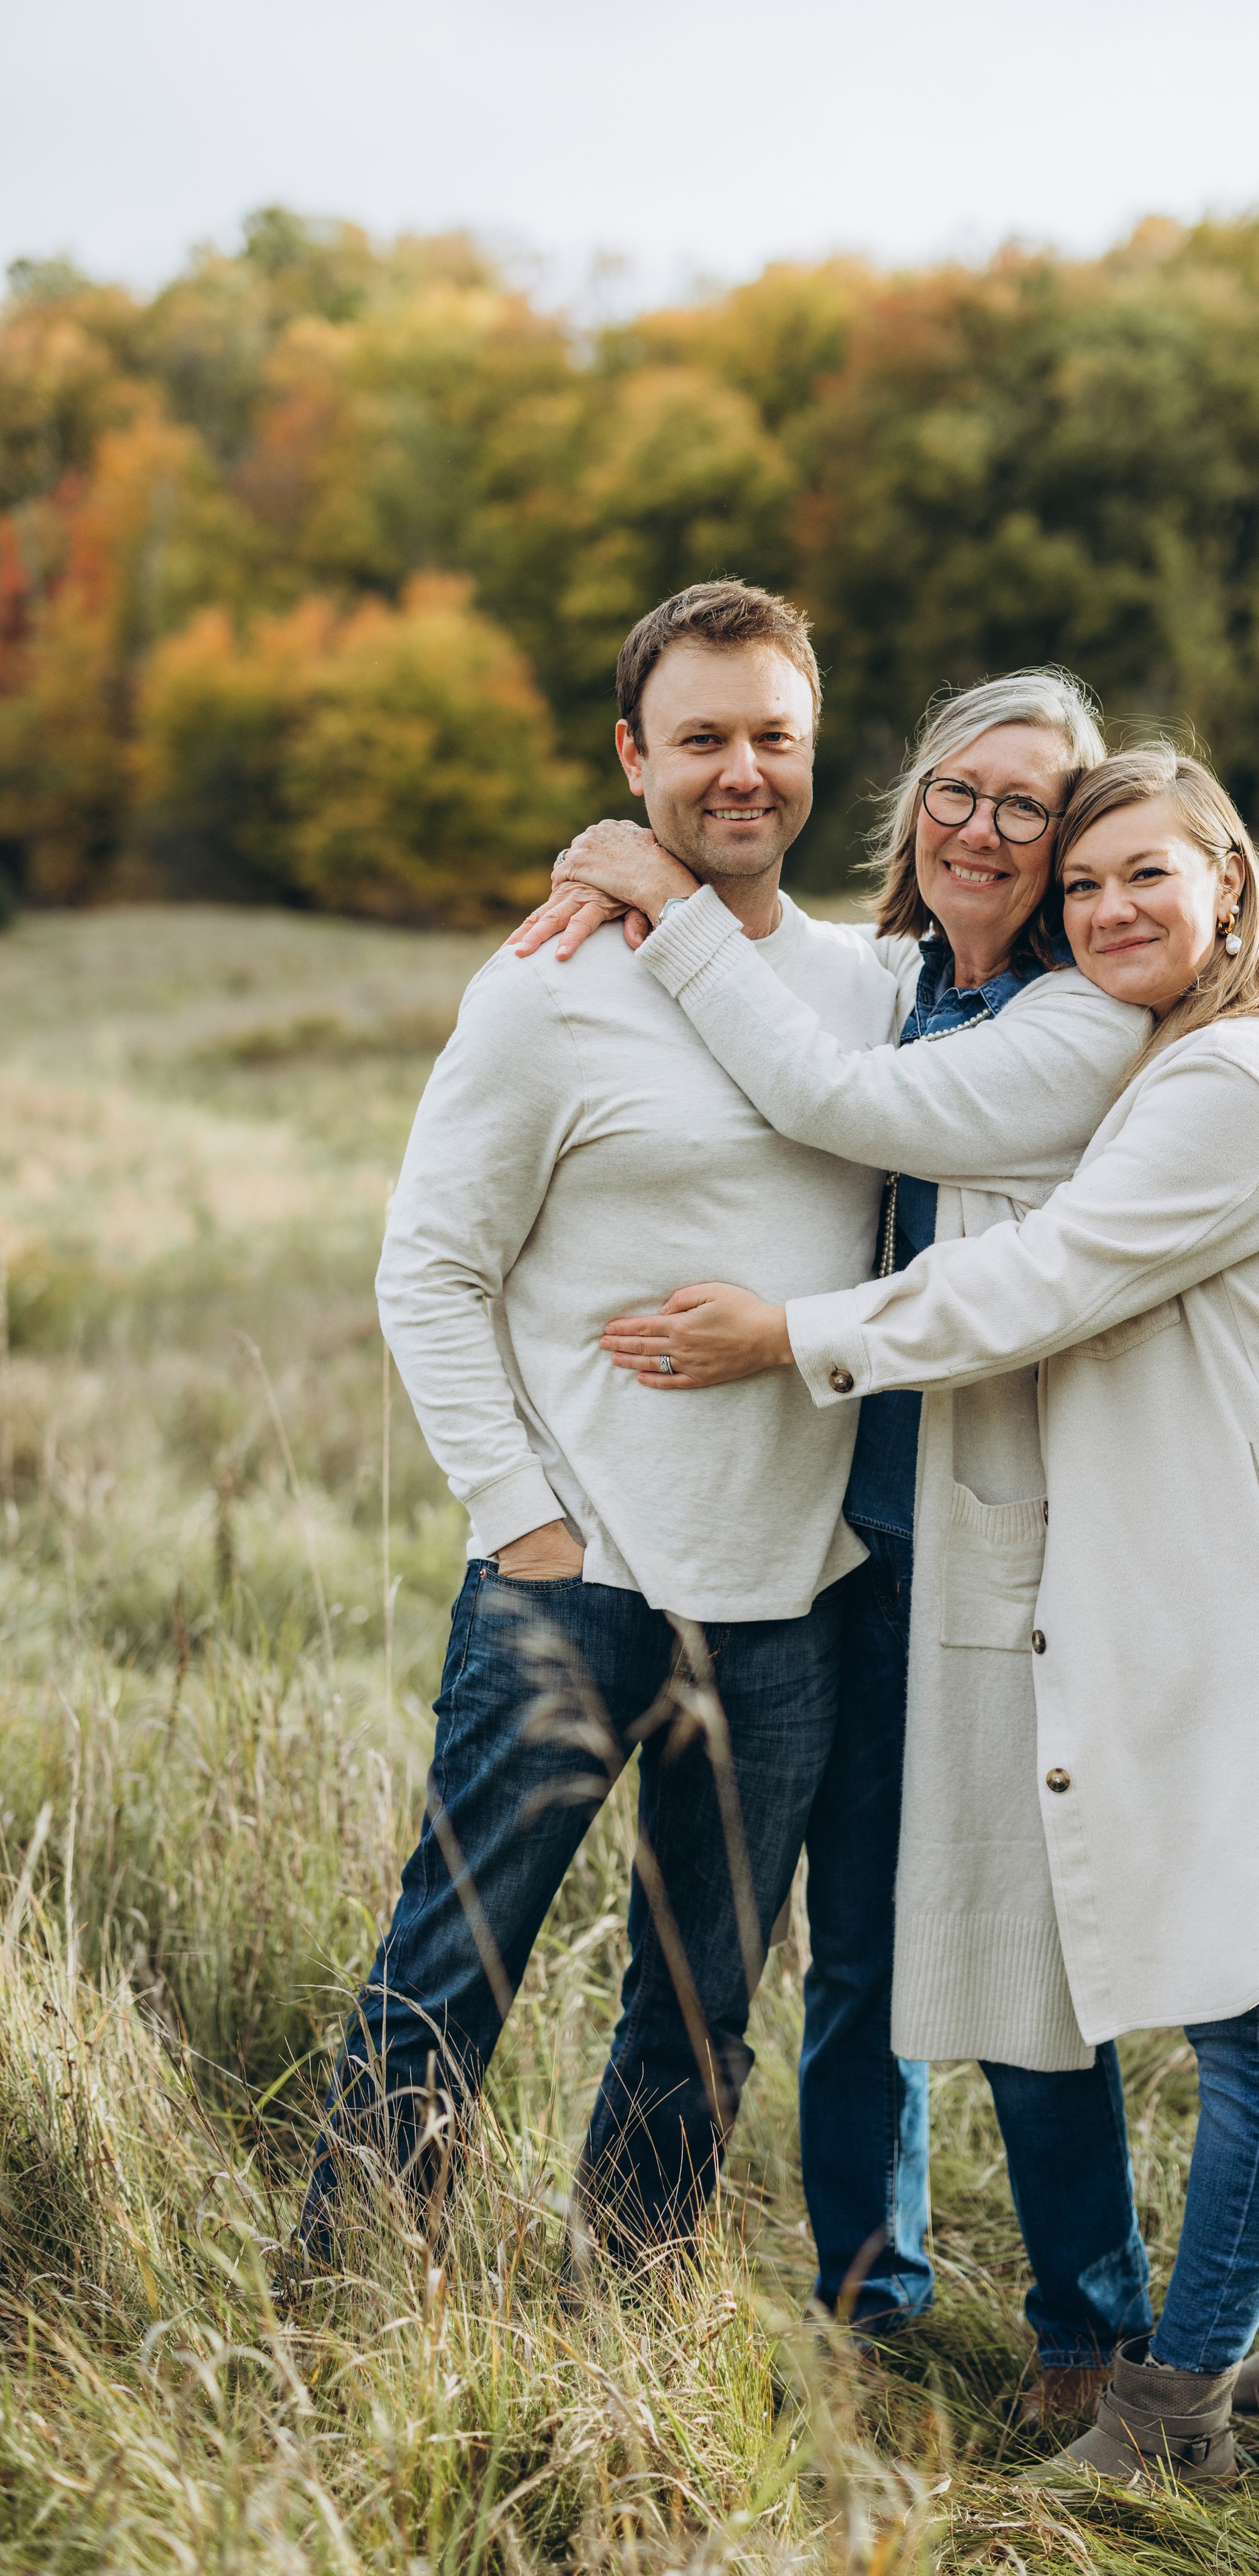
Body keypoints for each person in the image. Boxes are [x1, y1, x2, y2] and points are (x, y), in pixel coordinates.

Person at [588, 744, 1259, 2484]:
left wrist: (793, 1335)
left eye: (1149, 874)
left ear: (1232, 877)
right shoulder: (1194, 1055)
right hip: (1244, 1567)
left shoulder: (1236, 1087)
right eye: (1084, 886)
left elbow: (1037, 1283)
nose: (1109, 908)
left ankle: (1169, 2412)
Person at [515, 672, 1159, 2410]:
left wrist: (650, 895)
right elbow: (788, 1014)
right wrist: (619, 858)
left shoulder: (1068, 1024)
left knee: (1008, 1942)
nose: (983, 827)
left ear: (1077, 837)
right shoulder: (901, 987)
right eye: (957, 788)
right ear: (913, 805)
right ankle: (871, 2297)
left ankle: (1095, 2323)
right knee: (860, 1946)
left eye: (1030, 805)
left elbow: (829, 1108)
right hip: (852, 1545)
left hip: (997, 1561)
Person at [298, 578, 930, 2281]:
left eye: (773, 738)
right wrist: (526, 1524)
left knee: (702, 2003)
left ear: (813, 756)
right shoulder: (546, 987)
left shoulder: (873, 991)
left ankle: (622, 2312)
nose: (741, 772)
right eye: (701, 737)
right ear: (630, 756)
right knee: (454, 1961)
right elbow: (425, 1269)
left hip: (787, 1593)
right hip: (571, 1585)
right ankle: (342, 2299)